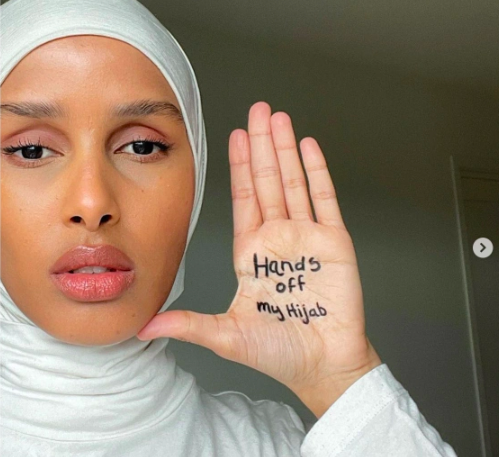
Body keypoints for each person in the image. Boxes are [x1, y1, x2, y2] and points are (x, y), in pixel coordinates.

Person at [0, 0, 458, 455]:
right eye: (31, 151)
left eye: (140, 145)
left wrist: (339, 379)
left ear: (196, 177)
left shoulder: (277, 445)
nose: (92, 202)